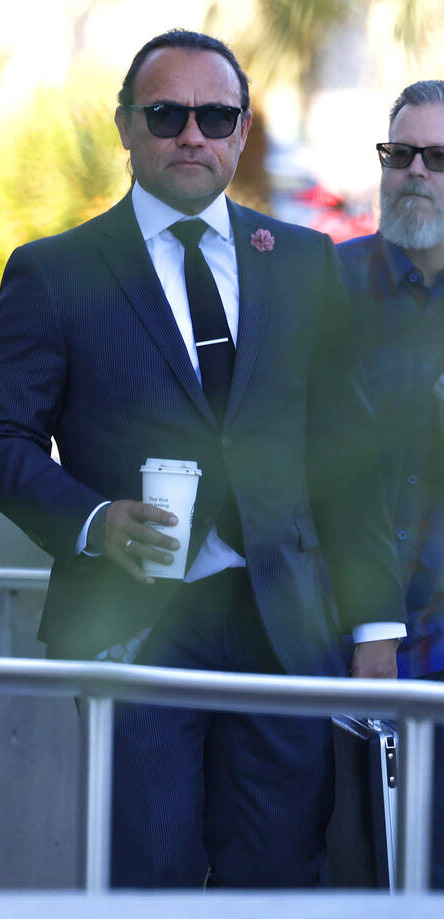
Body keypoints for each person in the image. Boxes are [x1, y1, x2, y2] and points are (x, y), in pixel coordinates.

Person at [0, 29, 405, 887]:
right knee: (148, 880)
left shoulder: (305, 263)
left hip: (286, 625)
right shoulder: (54, 272)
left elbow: (347, 458)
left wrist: (375, 627)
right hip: (134, 626)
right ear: (126, 126)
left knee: (282, 884)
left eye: (215, 115)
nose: (192, 134)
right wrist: (92, 519)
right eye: (167, 114)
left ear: (243, 131)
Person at [337, 79, 444, 886]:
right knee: (346, 876)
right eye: (401, 153)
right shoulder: (319, 285)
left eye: (439, 158)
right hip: (335, 639)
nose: (416, 171)